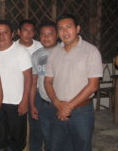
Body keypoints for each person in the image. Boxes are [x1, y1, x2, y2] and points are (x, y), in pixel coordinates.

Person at [44, 14, 103, 151]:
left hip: (81, 112)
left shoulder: (91, 51)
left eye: (68, 27)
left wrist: (69, 106)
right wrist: (57, 103)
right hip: (58, 109)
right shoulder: (54, 53)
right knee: (56, 147)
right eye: (60, 29)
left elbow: (93, 85)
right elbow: (48, 82)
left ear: (77, 29)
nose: (65, 32)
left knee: (81, 147)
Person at [0, 20, 32, 151]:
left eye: (5, 32)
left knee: (16, 141)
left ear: (12, 34)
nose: (1, 36)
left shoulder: (21, 52)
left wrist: (24, 101)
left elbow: (28, 78)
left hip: (16, 104)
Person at [30, 21, 58, 151]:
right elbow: (34, 81)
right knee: (42, 135)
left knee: (56, 139)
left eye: (50, 34)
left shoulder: (63, 51)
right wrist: (32, 104)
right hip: (42, 100)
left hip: (60, 102)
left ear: (57, 35)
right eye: (43, 34)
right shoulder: (36, 55)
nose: (46, 37)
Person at [15, 19, 43, 151]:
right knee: (19, 125)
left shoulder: (40, 47)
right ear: (19, 32)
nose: (28, 33)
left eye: (31, 30)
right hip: (17, 91)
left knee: (35, 124)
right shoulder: (12, 47)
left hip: (36, 91)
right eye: (25, 30)